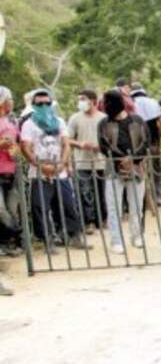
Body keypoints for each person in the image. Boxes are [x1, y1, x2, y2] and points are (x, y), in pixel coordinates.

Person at [20, 89, 89, 252]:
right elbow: (25, 148)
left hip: (60, 171)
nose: (44, 106)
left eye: (47, 103)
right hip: (39, 173)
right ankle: (47, 240)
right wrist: (41, 166)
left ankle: (74, 236)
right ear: (33, 105)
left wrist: (62, 164)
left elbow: (66, 144)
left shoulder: (59, 122)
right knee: (40, 207)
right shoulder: (29, 124)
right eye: (40, 104)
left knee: (68, 205)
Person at [98, 90, 150, 254]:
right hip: (113, 170)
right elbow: (103, 145)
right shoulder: (104, 123)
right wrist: (121, 159)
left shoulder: (137, 120)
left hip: (137, 168)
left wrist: (133, 159)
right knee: (114, 208)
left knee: (136, 206)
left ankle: (137, 236)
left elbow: (146, 141)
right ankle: (116, 240)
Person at [67, 89, 107, 234]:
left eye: (83, 99)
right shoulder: (75, 118)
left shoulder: (104, 118)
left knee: (103, 193)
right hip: (82, 163)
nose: (80, 102)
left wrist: (100, 146)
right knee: (85, 194)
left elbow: (110, 139)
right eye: (79, 99)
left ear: (93, 101)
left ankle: (102, 220)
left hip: (101, 162)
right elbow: (67, 139)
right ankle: (88, 222)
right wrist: (80, 144)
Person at [0, 86, 22, 256]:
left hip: (11, 171)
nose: (12, 102)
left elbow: (18, 146)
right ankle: (18, 234)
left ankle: (9, 243)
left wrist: (15, 150)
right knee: (1, 211)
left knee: (12, 210)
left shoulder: (13, 122)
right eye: (9, 99)